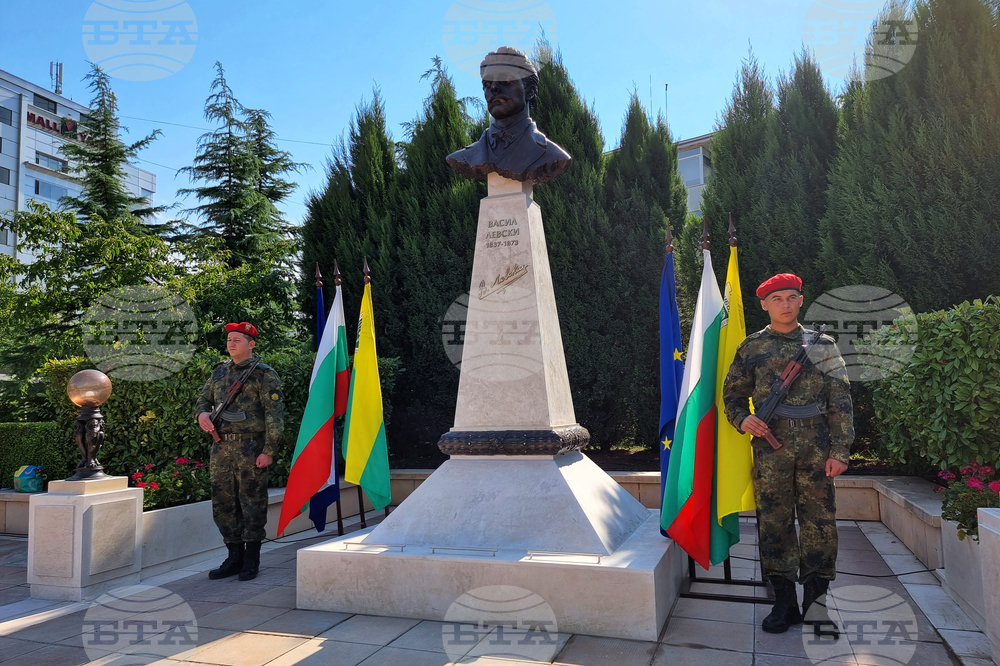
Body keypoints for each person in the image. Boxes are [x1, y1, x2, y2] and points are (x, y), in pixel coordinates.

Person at [722, 273, 854, 637]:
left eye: (791, 297)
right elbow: (731, 393)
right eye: (777, 298)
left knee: (819, 525)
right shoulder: (752, 347)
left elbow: (840, 401)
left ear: (800, 300)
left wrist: (840, 450)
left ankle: (816, 606)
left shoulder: (822, 344)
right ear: (764, 304)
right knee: (775, 524)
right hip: (770, 448)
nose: (785, 304)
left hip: (816, 447)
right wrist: (742, 418)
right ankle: (784, 603)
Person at [194, 322, 284, 581]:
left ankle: (251, 559)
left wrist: (269, 450)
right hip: (221, 446)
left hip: (250, 446)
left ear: (251, 344)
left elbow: (274, 416)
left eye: (237, 340)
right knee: (223, 502)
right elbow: (203, 400)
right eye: (229, 339)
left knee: (252, 502)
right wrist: (202, 415)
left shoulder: (264, 374)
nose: (231, 343)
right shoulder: (219, 372)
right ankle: (233, 556)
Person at [446, 46, 571, 184]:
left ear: (529, 91)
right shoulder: (464, 157)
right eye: (487, 84)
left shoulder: (553, 155)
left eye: (505, 80)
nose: (493, 88)